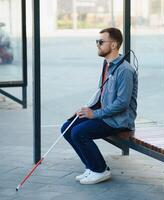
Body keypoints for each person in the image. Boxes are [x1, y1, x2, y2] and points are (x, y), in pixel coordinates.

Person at [60, 27, 138, 185]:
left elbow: (122, 104)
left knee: (79, 132)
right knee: (67, 128)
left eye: (101, 42)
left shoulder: (124, 70)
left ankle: (100, 170)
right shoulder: (107, 64)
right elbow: (101, 94)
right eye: (97, 41)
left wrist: (94, 114)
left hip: (119, 120)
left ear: (114, 45)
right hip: (105, 114)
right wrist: (86, 109)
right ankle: (91, 166)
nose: (98, 44)